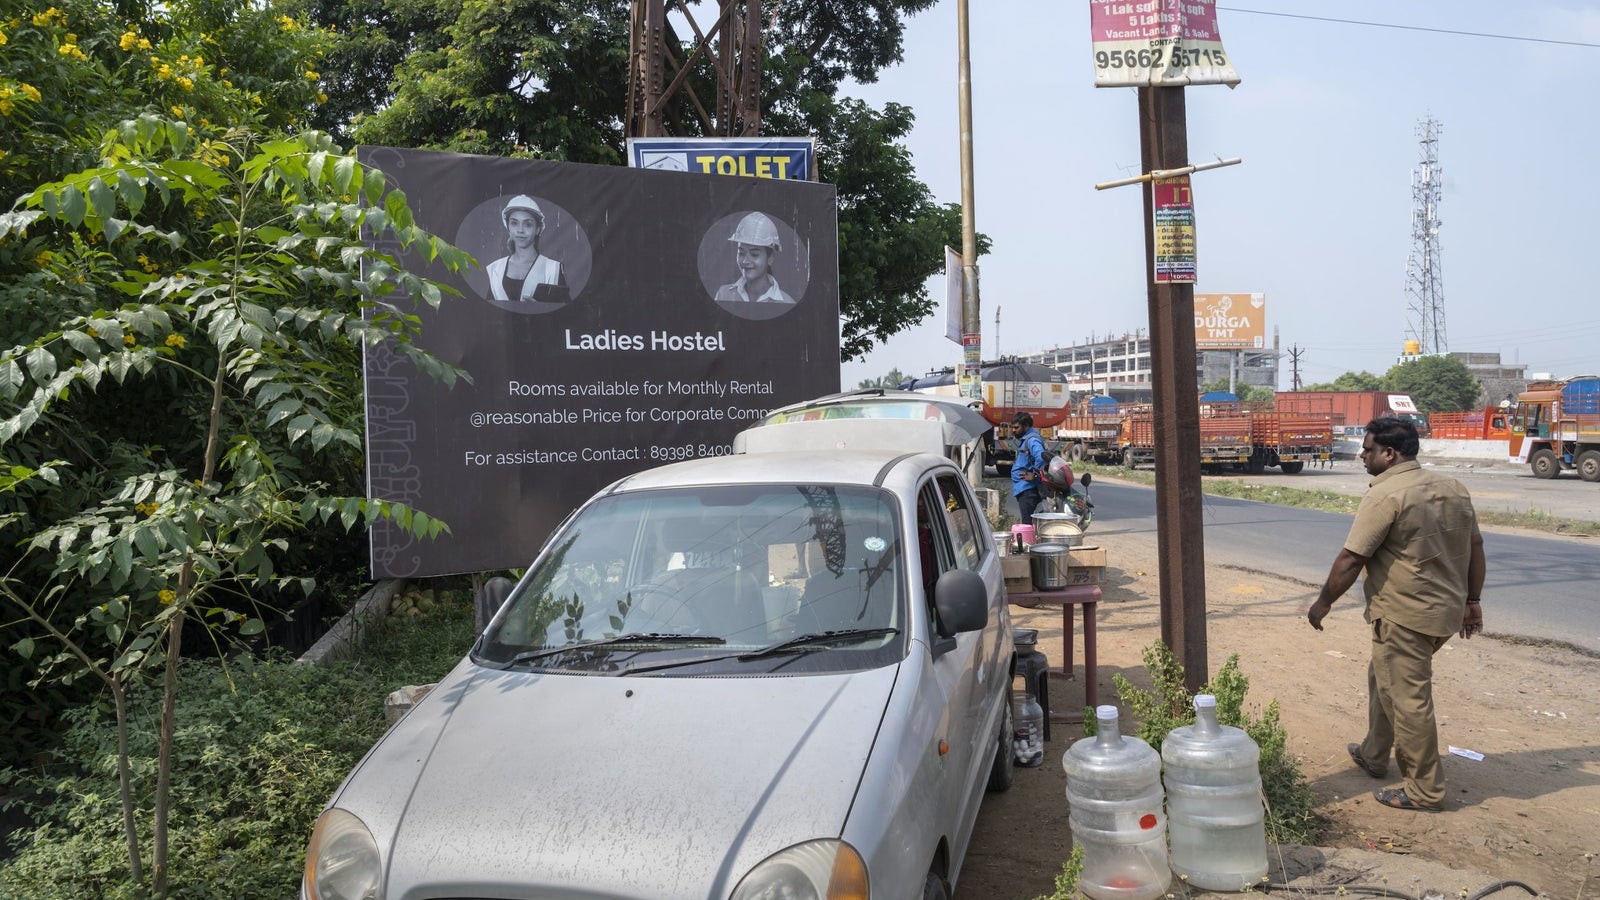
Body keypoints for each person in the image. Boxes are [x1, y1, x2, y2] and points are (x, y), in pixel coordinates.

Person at [1306, 416, 1486, 813]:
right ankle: (1374, 753)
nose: (1362, 456)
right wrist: (1472, 602)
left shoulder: (1386, 495)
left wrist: (1323, 604)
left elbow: (1352, 559)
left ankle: (1424, 790)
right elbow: (1475, 548)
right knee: (1382, 676)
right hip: (1444, 614)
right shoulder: (1452, 488)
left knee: (1408, 700)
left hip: (1405, 615)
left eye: (1368, 449)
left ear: (1390, 454)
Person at [485, 194, 567, 303]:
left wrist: (541, 310)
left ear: (538, 229)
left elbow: (567, 315)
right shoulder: (496, 269)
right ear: (508, 227)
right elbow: (488, 313)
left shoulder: (552, 269)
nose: (520, 230)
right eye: (514, 223)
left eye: (527, 224)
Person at [714, 212, 795, 304]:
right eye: (741, 253)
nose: (745, 261)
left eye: (754, 254)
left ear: (770, 258)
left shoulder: (787, 303)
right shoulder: (724, 295)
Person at [1008, 412, 1048, 526]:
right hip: (1024, 489)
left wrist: (1034, 474)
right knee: (1028, 522)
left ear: (1026, 426)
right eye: (1013, 427)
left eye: (1017, 427)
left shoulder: (1031, 440)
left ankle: (1029, 543)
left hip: (1028, 490)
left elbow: (1041, 457)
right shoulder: (1026, 439)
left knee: (1027, 524)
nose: (1014, 430)